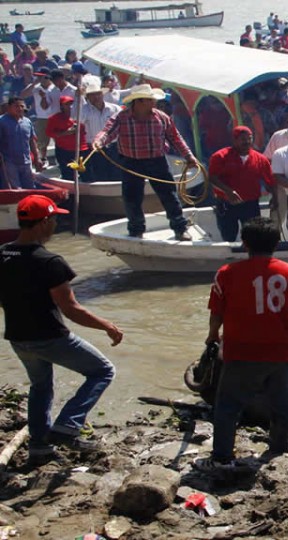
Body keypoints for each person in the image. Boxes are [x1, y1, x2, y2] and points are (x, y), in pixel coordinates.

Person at [0, 195, 123, 459]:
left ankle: (39, 446)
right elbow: (71, 309)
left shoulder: (3, 254)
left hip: (18, 337)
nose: (56, 225)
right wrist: (107, 326)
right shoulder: (50, 261)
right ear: (43, 223)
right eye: (54, 220)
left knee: (41, 387)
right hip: (49, 337)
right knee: (102, 371)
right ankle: (68, 424)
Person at [199, 217, 288, 469]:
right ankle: (279, 448)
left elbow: (216, 311)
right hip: (279, 352)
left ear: (245, 244)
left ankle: (222, 456)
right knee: (283, 405)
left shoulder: (226, 274)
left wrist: (212, 335)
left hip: (240, 351)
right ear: (277, 244)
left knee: (228, 406)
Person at [93, 84, 198, 241]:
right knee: (131, 198)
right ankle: (136, 230)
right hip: (131, 162)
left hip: (157, 161)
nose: (154, 103)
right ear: (139, 101)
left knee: (169, 195)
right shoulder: (121, 117)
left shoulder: (161, 118)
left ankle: (180, 228)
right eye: (150, 100)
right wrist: (99, 141)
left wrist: (189, 156)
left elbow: (175, 138)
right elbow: (107, 132)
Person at [208, 126, 276, 242]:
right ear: (234, 140)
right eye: (243, 139)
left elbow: (270, 181)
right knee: (228, 236)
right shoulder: (220, 156)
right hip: (227, 204)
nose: (247, 142)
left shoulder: (261, 159)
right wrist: (228, 191)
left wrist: (275, 197)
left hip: (250, 205)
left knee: (253, 236)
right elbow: (212, 178)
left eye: (250, 138)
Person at [77, 76, 122, 182]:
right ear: (87, 97)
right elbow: (77, 120)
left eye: (97, 94)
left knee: (117, 173)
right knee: (100, 175)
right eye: (92, 95)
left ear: (102, 94)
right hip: (94, 148)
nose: (95, 97)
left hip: (113, 147)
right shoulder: (83, 111)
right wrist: (78, 98)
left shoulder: (114, 109)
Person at [0, 97, 44, 189]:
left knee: (30, 187)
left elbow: (32, 141)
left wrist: (37, 158)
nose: (20, 109)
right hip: (9, 162)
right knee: (15, 189)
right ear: (9, 107)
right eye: (16, 106)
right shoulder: (2, 121)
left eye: (21, 106)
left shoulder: (27, 122)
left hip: (26, 162)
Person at [45, 96, 90, 182]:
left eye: (71, 104)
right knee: (68, 174)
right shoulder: (54, 118)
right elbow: (49, 133)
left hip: (82, 149)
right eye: (67, 104)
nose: (70, 106)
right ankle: (71, 193)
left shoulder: (81, 115)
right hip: (64, 150)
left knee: (86, 173)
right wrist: (65, 133)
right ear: (61, 106)